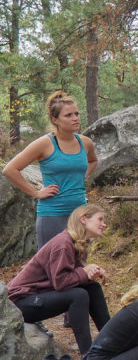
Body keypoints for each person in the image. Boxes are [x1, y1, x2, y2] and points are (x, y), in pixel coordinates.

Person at [6, 204, 110, 353]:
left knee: (93, 288)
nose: (104, 224)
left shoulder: (77, 243)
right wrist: (84, 272)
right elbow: (61, 283)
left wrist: (92, 272)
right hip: (20, 303)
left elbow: (73, 277)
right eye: (100, 219)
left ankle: (112, 341)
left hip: (36, 297)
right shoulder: (63, 243)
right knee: (78, 295)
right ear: (83, 220)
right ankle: (88, 355)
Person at [2, 91, 98, 249]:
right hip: (52, 214)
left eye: (76, 113)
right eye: (68, 115)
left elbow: (93, 161)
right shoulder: (44, 144)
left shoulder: (85, 143)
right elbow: (10, 169)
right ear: (55, 120)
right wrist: (36, 193)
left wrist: (83, 176)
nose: (75, 118)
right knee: (51, 265)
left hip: (79, 214)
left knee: (79, 263)